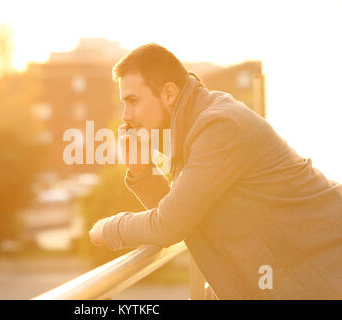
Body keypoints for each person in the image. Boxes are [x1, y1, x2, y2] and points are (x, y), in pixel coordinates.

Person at [88, 43, 342, 299]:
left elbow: (169, 224)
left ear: (168, 94)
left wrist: (107, 229)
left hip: (325, 277)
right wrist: (142, 172)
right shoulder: (195, 125)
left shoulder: (218, 125)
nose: (125, 115)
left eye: (132, 101)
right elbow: (184, 217)